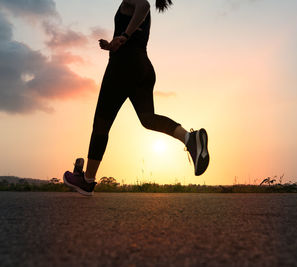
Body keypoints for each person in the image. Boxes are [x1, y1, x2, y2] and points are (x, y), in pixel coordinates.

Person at [63, 0, 209, 196]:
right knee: (148, 119)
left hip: (122, 68)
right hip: (142, 67)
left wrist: (123, 37)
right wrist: (114, 42)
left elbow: (144, 5)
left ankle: (87, 180)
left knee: (101, 125)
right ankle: (189, 138)